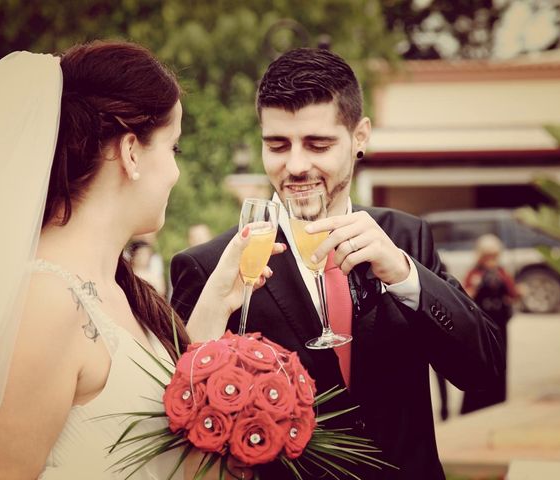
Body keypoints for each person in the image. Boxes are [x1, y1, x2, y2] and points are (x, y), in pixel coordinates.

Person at [171, 48, 505, 480]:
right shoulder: (211, 266)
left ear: (360, 136)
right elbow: (179, 423)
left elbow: (485, 370)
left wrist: (406, 276)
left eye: (318, 144)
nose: (295, 166)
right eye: (277, 145)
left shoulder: (406, 238)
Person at [0, 41, 279, 479]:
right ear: (130, 152)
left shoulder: (118, 290)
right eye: (174, 148)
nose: (176, 172)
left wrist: (217, 299)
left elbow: (152, 424)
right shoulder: (47, 302)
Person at [461, 234, 518, 415]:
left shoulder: (501, 272)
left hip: (500, 323)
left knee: (500, 359)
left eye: (494, 255)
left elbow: (513, 293)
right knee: (480, 360)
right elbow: (464, 296)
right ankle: (476, 402)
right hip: (481, 324)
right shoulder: (475, 272)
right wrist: (476, 287)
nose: (491, 260)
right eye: (488, 255)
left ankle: (497, 397)